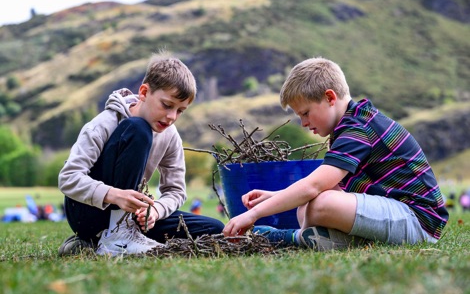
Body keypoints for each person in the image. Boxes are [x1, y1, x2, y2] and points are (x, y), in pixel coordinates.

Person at [222, 57, 449, 251]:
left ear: (330, 98)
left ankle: (293, 237)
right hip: (396, 212)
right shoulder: (349, 125)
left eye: (306, 113)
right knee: (308, 207)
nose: (303, 123)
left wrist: (253, 214)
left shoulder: (357, 128)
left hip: (419, 221)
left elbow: (314, 186)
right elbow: (335, 187)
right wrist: (275, 195)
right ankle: (333, 241)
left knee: (319, 205)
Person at [58, 52, 224, 256]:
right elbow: (68, 178)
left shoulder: (170, 135)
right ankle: (112, 236)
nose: (172, 117)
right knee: (138, 128)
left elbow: (176, 191)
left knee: (214, 229)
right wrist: (115, 195)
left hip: (132, 215)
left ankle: (92, 244)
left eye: (181, 110)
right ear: (144, 92)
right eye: (167, 105)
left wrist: (155, 211)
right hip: (88, 212)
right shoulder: (104, 123)